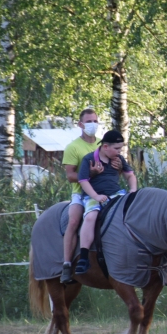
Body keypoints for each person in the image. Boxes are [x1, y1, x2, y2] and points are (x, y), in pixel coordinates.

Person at [75, 130, 137, 275]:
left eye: (120, 148)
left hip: (116, 193)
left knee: (132, 211)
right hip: (93, 195)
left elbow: (130, 176)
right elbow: (83, 181)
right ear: (105, 147)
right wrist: (96, 196)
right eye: (116, 148)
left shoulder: (119, 159)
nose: (119, 151)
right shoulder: (89, 159)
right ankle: (83, 257)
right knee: (91, 216)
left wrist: (133, 190)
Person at [60, 108, 110, 284]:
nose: (93, 124)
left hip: (104, 191)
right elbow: (70, 176)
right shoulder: (73, 147)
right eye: (89, 121)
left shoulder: (103, 144)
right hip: (80, 194)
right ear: (80, 124)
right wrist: (91, 173)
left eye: (95, 121)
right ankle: (67, 265)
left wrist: (118, 165)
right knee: (73, 221)